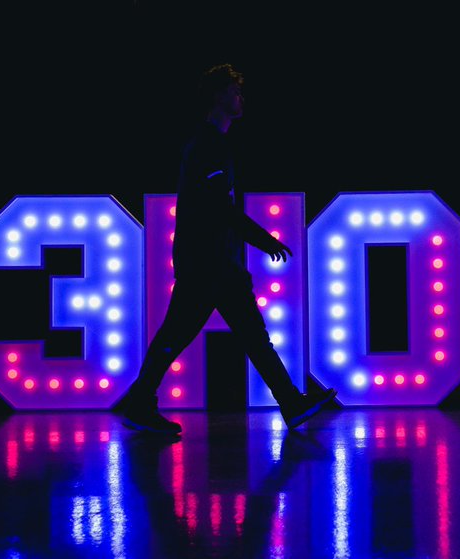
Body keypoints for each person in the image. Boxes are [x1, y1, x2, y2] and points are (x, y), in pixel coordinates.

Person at [117, 64, 337, 434]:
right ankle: (290, 403)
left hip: (214, 263)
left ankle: (291, 403)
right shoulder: (208, 146)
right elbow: (220, 208)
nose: (241, 99)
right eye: (236, 92)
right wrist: (263, 240)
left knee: (229, 336)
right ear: (218, 96)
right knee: (190, 336)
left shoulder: (211, 144)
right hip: (209, 264)